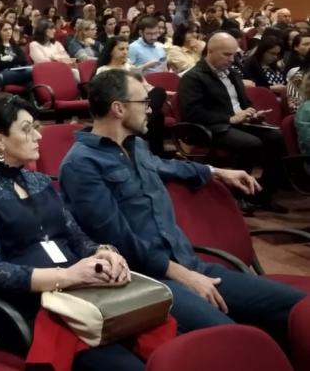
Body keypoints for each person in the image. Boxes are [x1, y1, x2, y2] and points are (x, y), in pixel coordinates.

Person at [60, 69, 305, 341]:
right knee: (235, 340)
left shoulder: (136, 146)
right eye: (144, 102)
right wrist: (184, 276)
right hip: (147, 281)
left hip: (189, 264)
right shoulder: (81, 164)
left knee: (299, 308)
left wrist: (217, 171)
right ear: (118, 108)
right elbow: (118, 241)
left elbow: (166, 166)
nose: (150, 109)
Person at [0, 93, 141, 371]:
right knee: (126, 365)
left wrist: (103, 253)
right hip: (33, 309)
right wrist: (66, 276)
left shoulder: (39, 181)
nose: (38, 136)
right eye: (27, 129)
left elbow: (76, 237)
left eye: (36, 127)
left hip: (82, 294)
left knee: (157, 339)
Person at [178, 33, 288, 212]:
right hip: (211, 126)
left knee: (277, 137)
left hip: (240, 122)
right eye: (227, 54)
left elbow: (244, 102)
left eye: (234, 54)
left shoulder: (233, 74)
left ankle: (262, 194)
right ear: (210, 51)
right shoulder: (193, 77)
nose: (232, 59)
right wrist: (229, 118)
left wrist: (253, 113)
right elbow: (193, 113)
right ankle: (236, 195)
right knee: (251, 144)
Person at [95, 37, 168, 155]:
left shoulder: (129, 67)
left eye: (127, 49)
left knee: (159, 93)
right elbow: (106, 95)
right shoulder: (103, 71)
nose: (125, 52)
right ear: (111, 51)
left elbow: (146, 86)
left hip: (138, 101)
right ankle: (142, 126)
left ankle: (144, 124)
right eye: (121, 49)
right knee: (157, 115)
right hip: (122, 103)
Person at [0, 20, 32, 91]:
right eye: (5, 30)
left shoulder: (14, 45)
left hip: (17, 71)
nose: (8, 32)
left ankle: (32, 98)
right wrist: (15, 60)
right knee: (31, 72)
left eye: (10, 29)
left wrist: (9, 59)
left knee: (31, 82)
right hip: (1, 74)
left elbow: (23, 61)